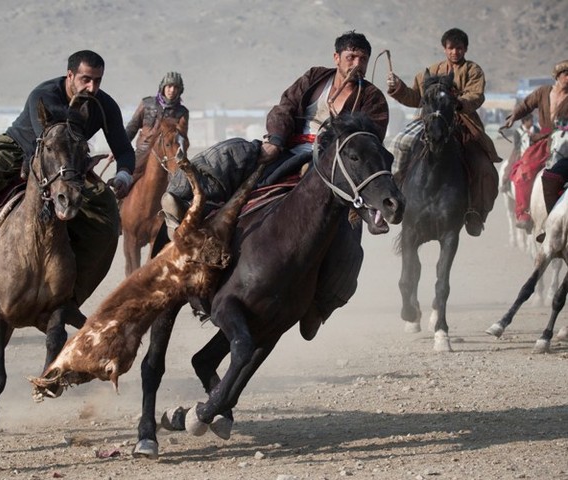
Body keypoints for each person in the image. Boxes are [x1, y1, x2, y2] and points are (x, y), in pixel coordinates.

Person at [161, 30, 390, 341]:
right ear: (337, 58)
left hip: (335, 170)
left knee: (349, 248)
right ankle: (185, 201)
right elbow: (286, 106)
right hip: (288, 148)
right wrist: (276, 139)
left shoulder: (372, 99)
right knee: (235, 152)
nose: (357, 64)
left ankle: (318, 307)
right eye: (351, 57)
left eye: (362, 59)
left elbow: (367, 141)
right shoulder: (315, 78)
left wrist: (334, 140)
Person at [0, 50, 135, 307]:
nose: (92, 87)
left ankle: (70, 297)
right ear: (70, 75)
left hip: (68, 163)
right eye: (85, 79)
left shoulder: (105, 106)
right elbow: (43, 146)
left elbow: (124, 149)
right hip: (19, 148)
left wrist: (124, 174)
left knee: (107, 212)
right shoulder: (44, 96)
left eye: (98, 80)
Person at [387, 27, 500, 237]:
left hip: (462, 122)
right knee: (399, 143)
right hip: (430, 121)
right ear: (444, 49)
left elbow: (476, 96)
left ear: (465, 48)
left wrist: (456, 102)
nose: (455, 52)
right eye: (451, 48)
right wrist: (398, 87)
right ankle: (393, 199)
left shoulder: (473, 70)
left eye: (459, 48)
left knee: (483, 166)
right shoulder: (431, 71)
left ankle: (475, 211)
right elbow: (415, 98)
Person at [503, 60, 568, 233]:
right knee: (524, 171)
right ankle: (524, 213)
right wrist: (513, 117)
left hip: (565, 141)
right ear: (558, 76)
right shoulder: (543, 92)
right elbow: (526, 105)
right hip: (543, 142)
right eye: (566, 74)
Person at [125, 71, 189, 164]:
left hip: (167, 156)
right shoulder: (147, 104)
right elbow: (132, 128)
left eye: (176, 87)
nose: (172, 90)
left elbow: (182, 138)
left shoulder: (182, 112)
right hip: (143, 152)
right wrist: (119, 149)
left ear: (180, 91)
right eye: (169, 86)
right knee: (124, 174)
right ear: (163, 87)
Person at [500, 113, 539, 192]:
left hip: (534, 152)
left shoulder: (535, 129)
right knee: (511, 165)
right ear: (525, 121)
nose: (532, 122)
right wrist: (527, 138)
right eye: (530, 120)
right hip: (520, 152)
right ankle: (506, 183)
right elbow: (517, 145)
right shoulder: (517, 132)